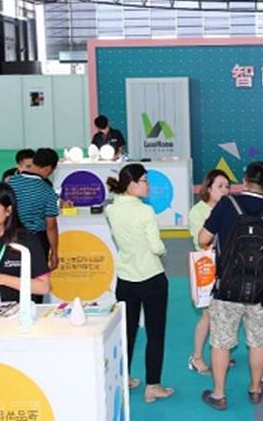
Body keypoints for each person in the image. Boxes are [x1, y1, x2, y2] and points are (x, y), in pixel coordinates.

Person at [198, 162, 263, 411]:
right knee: (259, 341)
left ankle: (219, 394)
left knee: (221, 342)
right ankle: (255, 388)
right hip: (261, 288)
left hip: (227, 286)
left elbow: (203, 238)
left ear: (244, 181)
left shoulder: (227, 204)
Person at [105, 164, 174, 403]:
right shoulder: (145, 212)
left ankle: (123, 377)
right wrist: (163, 249)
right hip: (152, 278)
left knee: (127, 331)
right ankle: (152, 386)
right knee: (155, 334)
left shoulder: (111, 210)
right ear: (132, 184)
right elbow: (156, 247)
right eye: (144, 180)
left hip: (125, 279)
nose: (148, 185)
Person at [188, 169, 231, 375]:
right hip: (206, 269)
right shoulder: (198, 211)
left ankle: (221, 352)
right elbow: (201, 241)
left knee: (225, 314)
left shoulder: (229, 208)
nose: (224, 190)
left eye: (227, 187)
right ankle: (196, 357)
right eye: (219, 186)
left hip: (226, 266)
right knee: (208, 316)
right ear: (208, 188)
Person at [8, 148, 60, 271]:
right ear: (48, 168)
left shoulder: (12, 182)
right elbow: (51, 226)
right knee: (37, 276)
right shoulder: (47, 191)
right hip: (38, 240)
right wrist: (54, 252)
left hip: (12, 236)